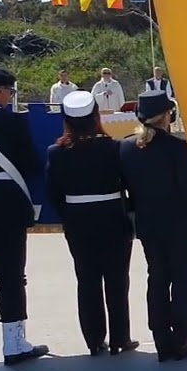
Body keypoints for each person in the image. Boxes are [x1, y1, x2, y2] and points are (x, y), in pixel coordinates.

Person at [120, 91, 187, 362]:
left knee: (157, 279)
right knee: (182, 282)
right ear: (166, 115)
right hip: (180, 225)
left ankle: (161, 339)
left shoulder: (125, 148)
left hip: (148, 224)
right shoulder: (176, 147)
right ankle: (181, 338)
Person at [46, 91, 138, 355]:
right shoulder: (114, 147)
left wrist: (70, 216)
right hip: (112, 217)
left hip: (78, 221)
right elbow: (129, 185)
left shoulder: (56, 152)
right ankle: (121, 337)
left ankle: (95, 340)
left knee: (87, 281)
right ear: (96, 117)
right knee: (117, 279)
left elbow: (53, 193)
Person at [0, 66, 49, 365]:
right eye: (10, 92)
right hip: (5, 208)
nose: (10, 97)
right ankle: (14, 344)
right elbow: (32, 166)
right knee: (10, 277)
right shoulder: (10, 122)